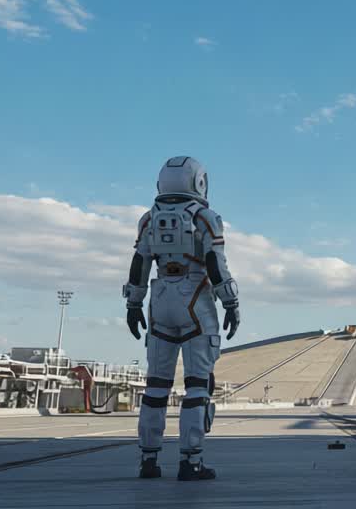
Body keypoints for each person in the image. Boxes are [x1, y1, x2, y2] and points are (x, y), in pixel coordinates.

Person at [122, 156, 241, 481]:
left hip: (160, 298)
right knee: (197, 385)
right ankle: (192, 462)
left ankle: (149, 460)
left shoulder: (148, 219)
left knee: (156, 385)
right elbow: (216, 262)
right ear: (199, 182)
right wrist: (231, 302)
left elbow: (139, 263)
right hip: (195, 296)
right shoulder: (206, 218)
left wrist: (134, 304)